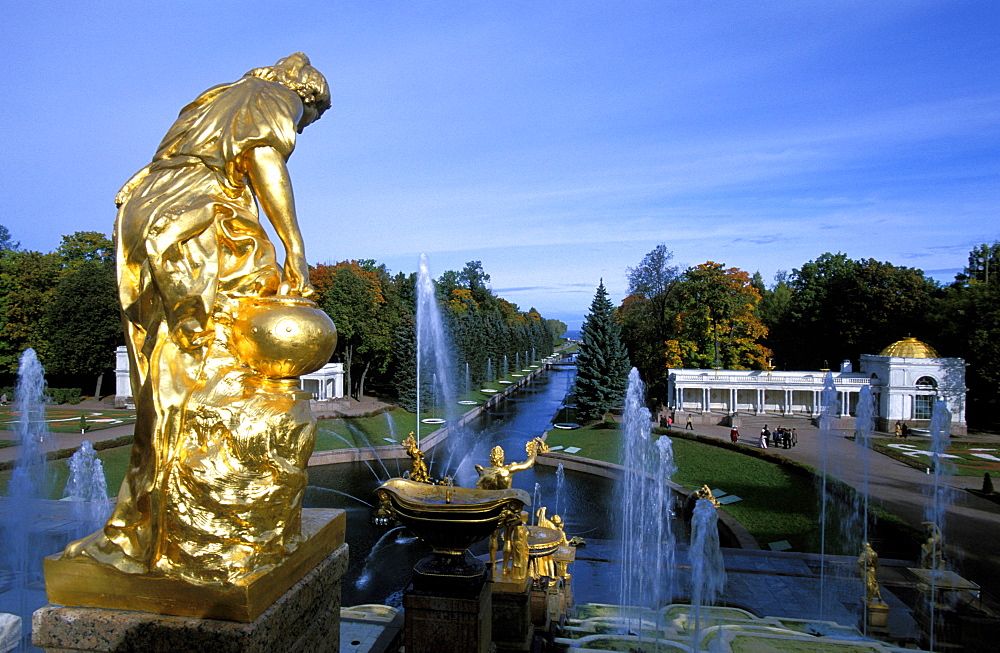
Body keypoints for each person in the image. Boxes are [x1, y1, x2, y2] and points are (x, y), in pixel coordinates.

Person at [62, 54, 332, 583]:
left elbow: (169, 158)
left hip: (146, 209)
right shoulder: (276, 98)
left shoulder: (214, 98)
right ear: (307, 97)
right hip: (197, 213)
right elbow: (263, 158)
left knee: (165, 364)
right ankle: (188, 523)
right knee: (207, 350)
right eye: (309, 119)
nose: (302, 124)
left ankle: (147, 520)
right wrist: (294, 243)